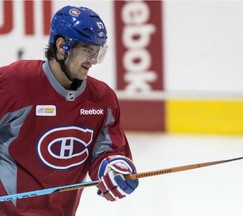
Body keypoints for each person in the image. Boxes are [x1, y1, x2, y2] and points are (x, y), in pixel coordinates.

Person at [0, 5, 139, 215]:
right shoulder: (15, 83)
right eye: (87, 50)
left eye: (98, 51)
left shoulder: (102, 100)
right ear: (62, 45)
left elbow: (109, 151)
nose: (93, 60)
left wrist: (113, 167)